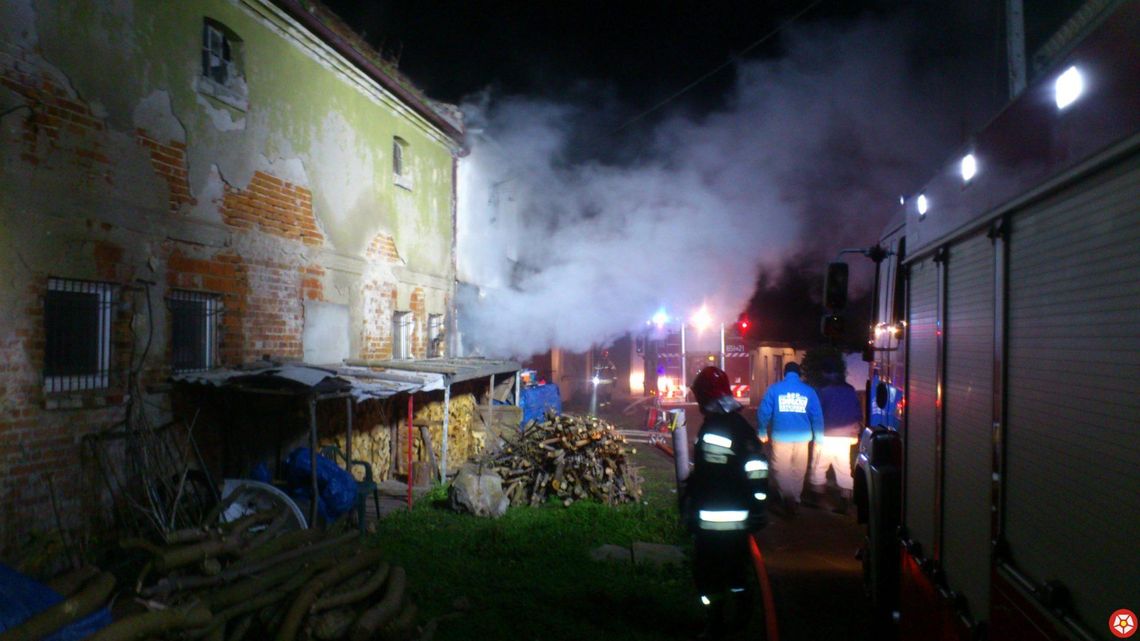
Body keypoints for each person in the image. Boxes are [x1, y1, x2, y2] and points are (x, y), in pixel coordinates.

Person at [681, 366, 768, 640]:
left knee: (713, 576)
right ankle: (726, 621)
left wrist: (757, 506)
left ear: (707, 395)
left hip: (718, 522)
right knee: (725, 574)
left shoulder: (727, 427)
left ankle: (727, 621)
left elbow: (755, 468)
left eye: (699, 396)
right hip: (724, 521)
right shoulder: (732, 426)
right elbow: (712, 470)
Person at [757, 362, 822, 516]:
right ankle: (796, 498)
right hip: (803, 437)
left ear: (784, 373)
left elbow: (763, 411)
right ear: (799, 374)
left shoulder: (774, 390)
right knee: (798, 469)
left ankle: (788, 496)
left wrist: (761, 430)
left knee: (782, 468)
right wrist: (819, 436)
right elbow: (817, 415)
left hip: (781, 436)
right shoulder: (808, 391)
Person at [807, 361, 863, 513]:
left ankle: (818, 499)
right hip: (845, 436)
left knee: (818, 467)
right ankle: (846, 502)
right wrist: (855, 431)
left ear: (826, 374)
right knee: (844, 468)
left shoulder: (822, 391)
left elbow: (815, 413)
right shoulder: (850, 390)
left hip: (826, 435)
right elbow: (857, 412)